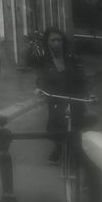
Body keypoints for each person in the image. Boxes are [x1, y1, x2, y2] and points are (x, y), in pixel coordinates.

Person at [36, 28, 87, 163]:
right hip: (56, 98)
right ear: (47, 42)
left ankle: (77, 151)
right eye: (53, 40)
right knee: (55, 126)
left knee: (76, 126)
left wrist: (88, 94)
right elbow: (41, 77)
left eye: (59, 40)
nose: (56, 43)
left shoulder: (72, 57)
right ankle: (58, 148)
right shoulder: (44, 60)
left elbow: (81, 77)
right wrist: (39, 88)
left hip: (74, 96)